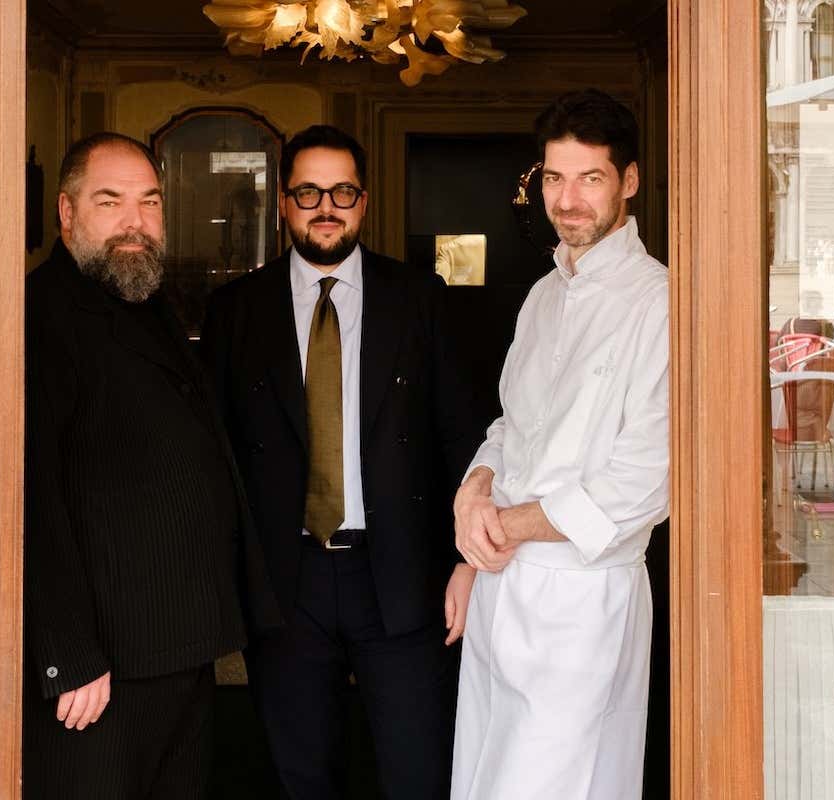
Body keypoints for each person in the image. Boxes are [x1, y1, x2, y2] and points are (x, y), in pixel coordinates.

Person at [203, 125, 480, 799]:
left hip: (403, 576)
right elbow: (217, 459)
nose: (326, 207)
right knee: (302, 780)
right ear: (283, 204)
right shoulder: (235, 310)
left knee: (418, 774)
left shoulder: (420, 299)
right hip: (284, 585)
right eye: (308, 192)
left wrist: (467, 562)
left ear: (363, 202)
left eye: (342, 192)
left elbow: (464, 437)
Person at [23, 132, 280, 799]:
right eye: (110, 202)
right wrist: (67, 655)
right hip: (100, 666)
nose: (134, 221)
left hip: (177, 640)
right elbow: (30, 496)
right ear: (67, 212)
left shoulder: (145, 300)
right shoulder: (40, 314)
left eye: (150, 202)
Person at [450, 89, 670, 800]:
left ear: (629, 181)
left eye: (590, 178)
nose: (567, 200)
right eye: (554, 178)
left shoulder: (663, 303)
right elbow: (512, 427)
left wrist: (502, 527)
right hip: (502, 588)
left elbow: (644, 483)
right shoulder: (543, 294)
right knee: (484, 777)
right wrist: (475, 494)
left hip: (585, 603)